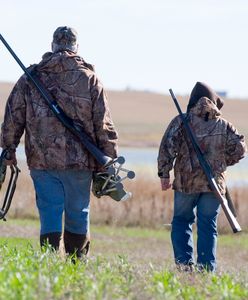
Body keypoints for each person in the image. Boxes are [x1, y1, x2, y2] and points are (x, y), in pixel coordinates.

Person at [0, 26, 118, 259]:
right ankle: (77, 264)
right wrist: (109, 158)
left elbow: (13, 116)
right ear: (76, 46)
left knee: (49, 212)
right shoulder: (90, 79)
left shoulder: (31, 77)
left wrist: (8, 148)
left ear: (53, 45)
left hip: (42, 161)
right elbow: (103, 124)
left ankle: (50, 262)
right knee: (78, 213)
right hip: (80, 162)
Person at [157, 82, 247, 272]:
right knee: (208, 226)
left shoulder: (181, 120)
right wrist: (222, 163)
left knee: (182, 221)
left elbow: (167, 148)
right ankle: (206, 269)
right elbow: (240, 149)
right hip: (213, 185)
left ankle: (184, 266)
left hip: (185, 183)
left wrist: (164, 174)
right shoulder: (224, 125)